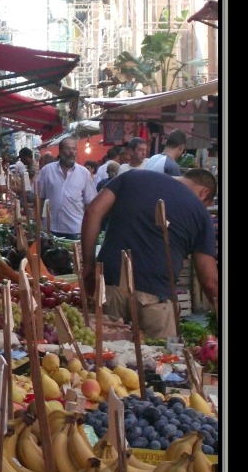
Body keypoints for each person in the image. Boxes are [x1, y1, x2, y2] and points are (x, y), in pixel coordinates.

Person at [80, 168, 218, 340]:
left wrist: (88, 265)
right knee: (162, 360)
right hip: (157, 296)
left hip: (110, 286)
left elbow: (93, 211)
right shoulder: (200, 212)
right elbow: (210, 281)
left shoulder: (133, 176)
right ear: (205, 192)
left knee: (107, 359)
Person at [34, 135, 97, 240]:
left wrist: (89, 226)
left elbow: (89, 203)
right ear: (60, 150)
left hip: (75, 228)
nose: (72, 152)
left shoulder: (84, 173)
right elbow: (38, 197)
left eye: (74, 149)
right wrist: (38, 220)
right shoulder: (47, 171)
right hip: (50, 227)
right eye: (68, 148)